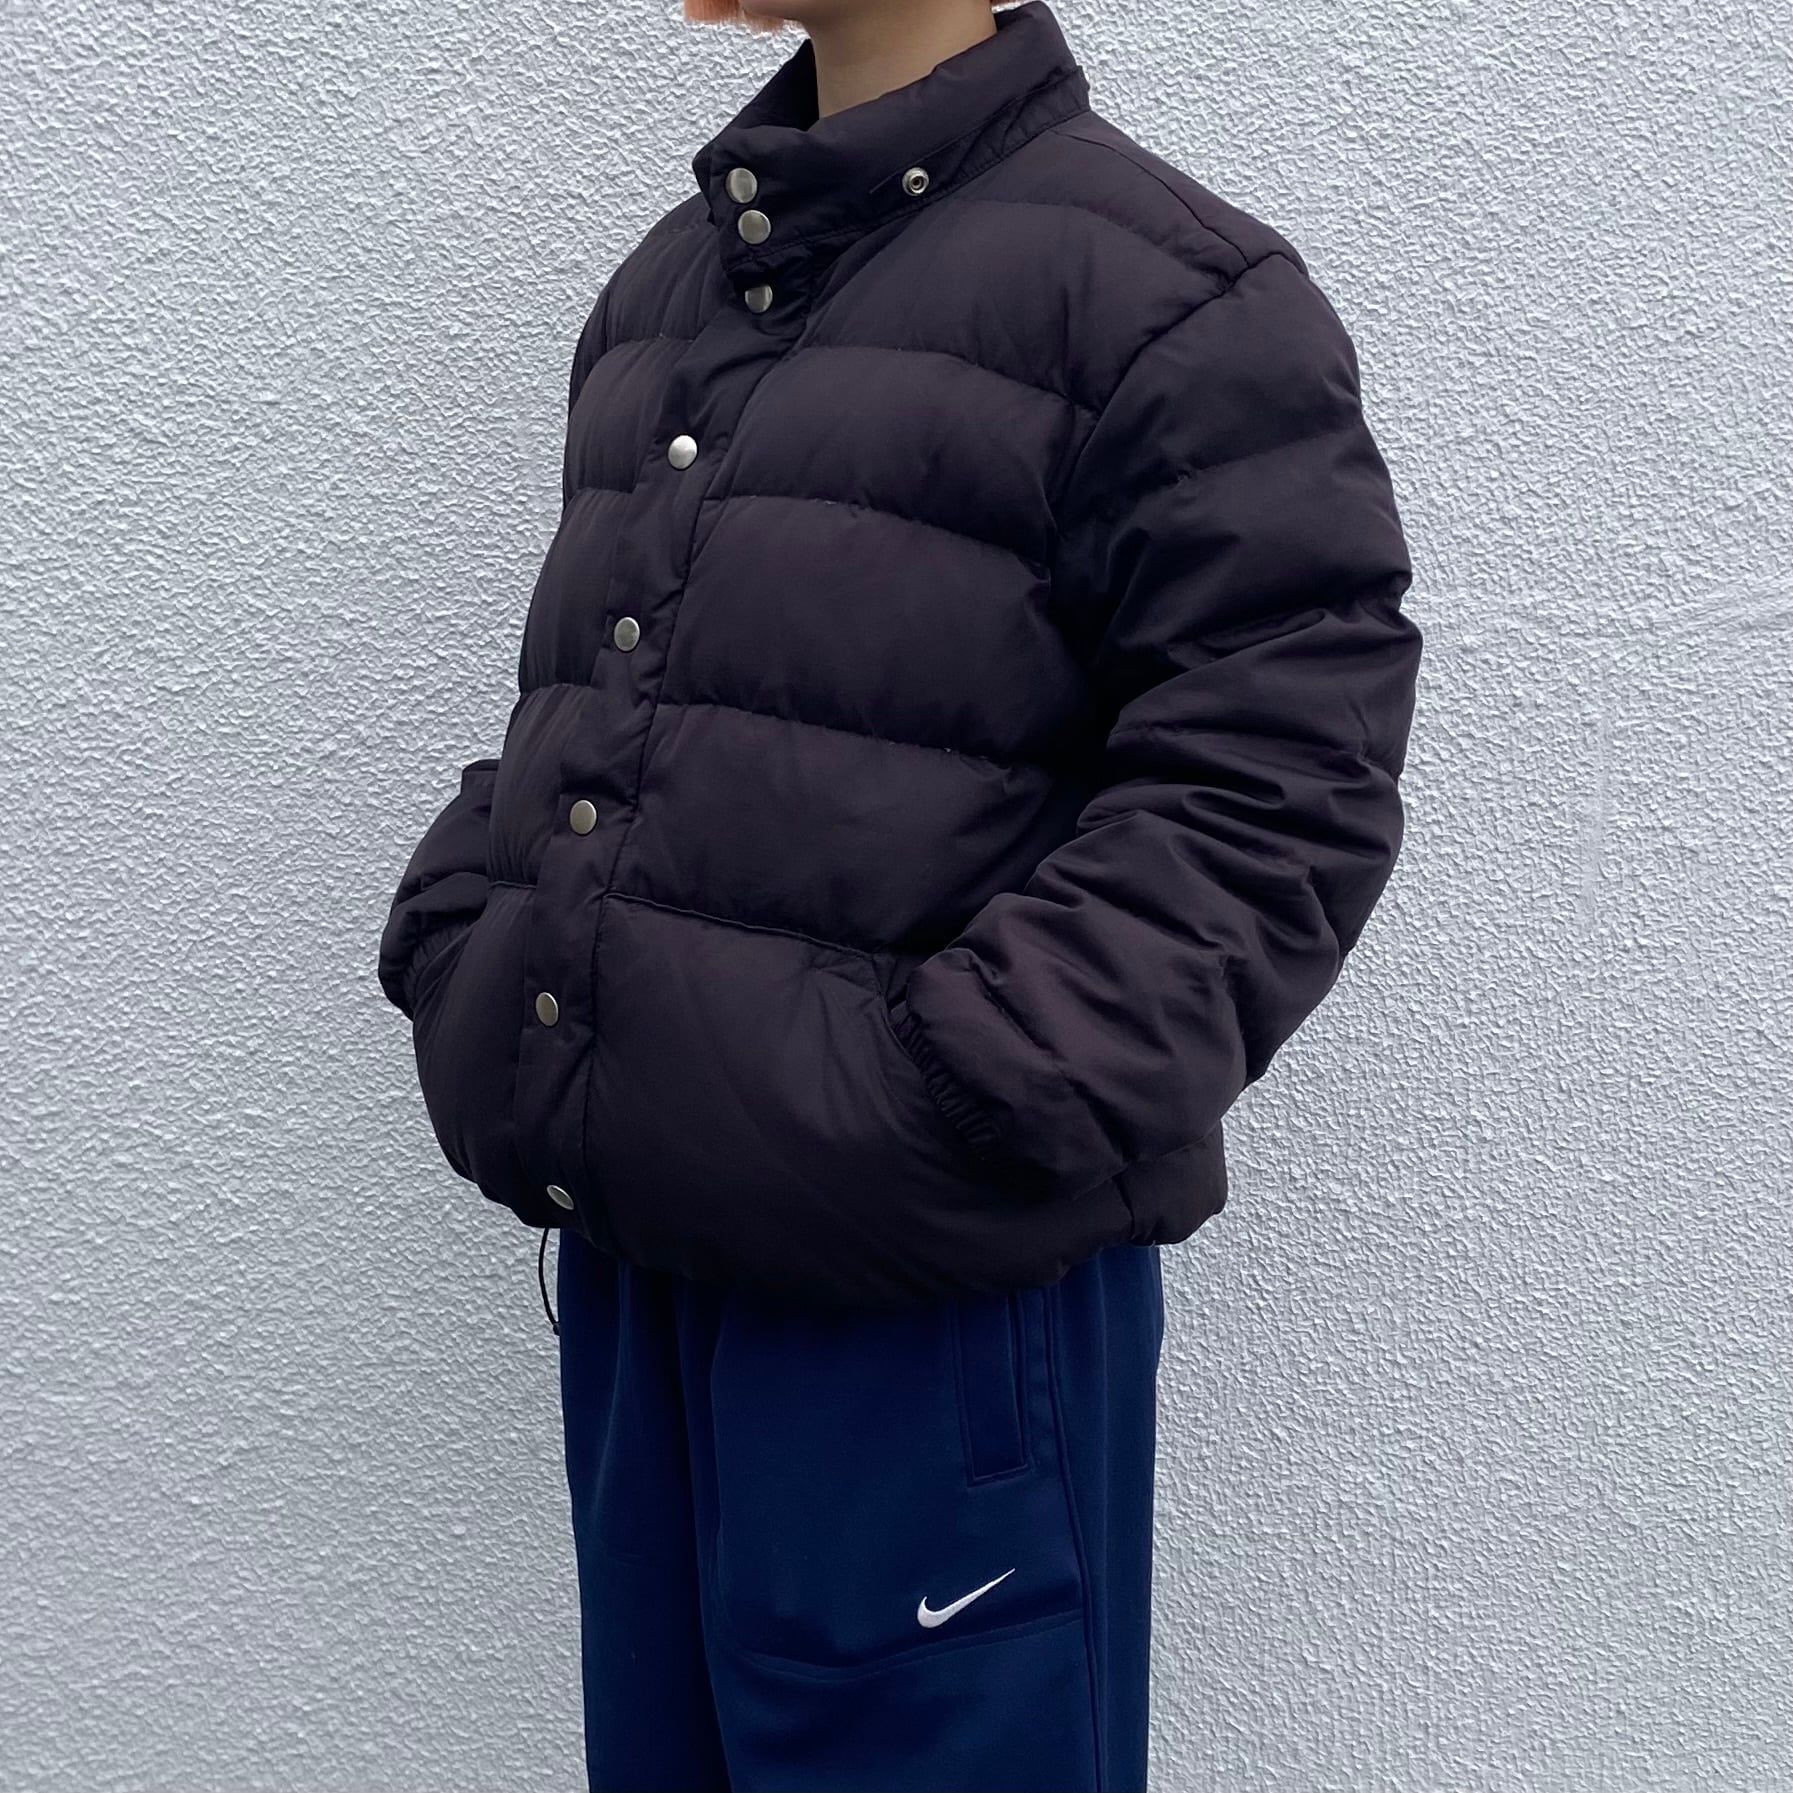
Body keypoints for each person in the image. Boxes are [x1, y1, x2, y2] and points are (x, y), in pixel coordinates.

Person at [376, 0, 1422, 1785]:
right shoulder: (669, 292)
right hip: (638, 1275)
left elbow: (1280, 784)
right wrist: (473, 944)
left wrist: (943, 1093)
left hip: (927, 1308)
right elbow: (614, 703)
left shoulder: (1167, 297)